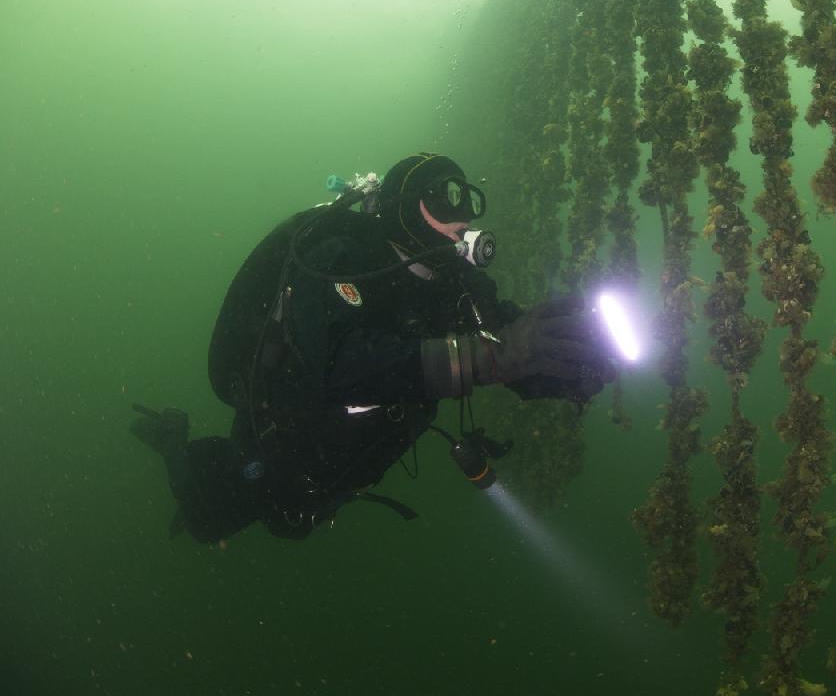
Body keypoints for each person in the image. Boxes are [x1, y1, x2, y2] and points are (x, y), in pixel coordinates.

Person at [131, 153, 615, 542]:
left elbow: (508, 342)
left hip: (347, 471)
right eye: (445, 199)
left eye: (468, 199)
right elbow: (343, 364)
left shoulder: (454, 284)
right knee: (210, 521)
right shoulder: (341, 260)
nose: (462, 214)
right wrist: (490, 358)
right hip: (285, 455)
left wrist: (569, 365)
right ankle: (174, 442)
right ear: (406, 205)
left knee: (293, 520)